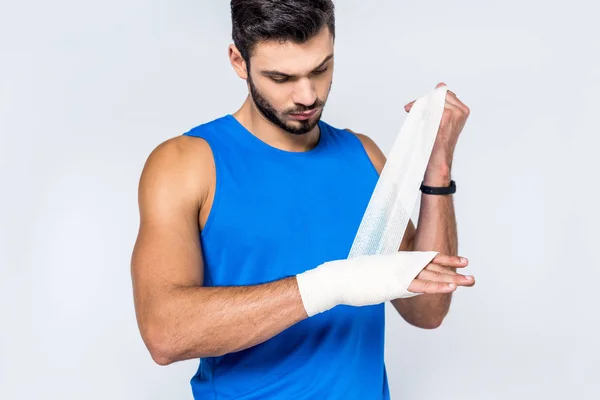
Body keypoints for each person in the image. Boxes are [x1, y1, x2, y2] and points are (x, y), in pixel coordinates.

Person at [130, 1, 474, 398]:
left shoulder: (363, 156)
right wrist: (331, 285)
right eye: (281, 77)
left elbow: (426, 311)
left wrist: (437, 170)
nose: (308, 95)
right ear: (238, 61)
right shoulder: (186, 164)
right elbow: (164, 334)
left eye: (320, 69)